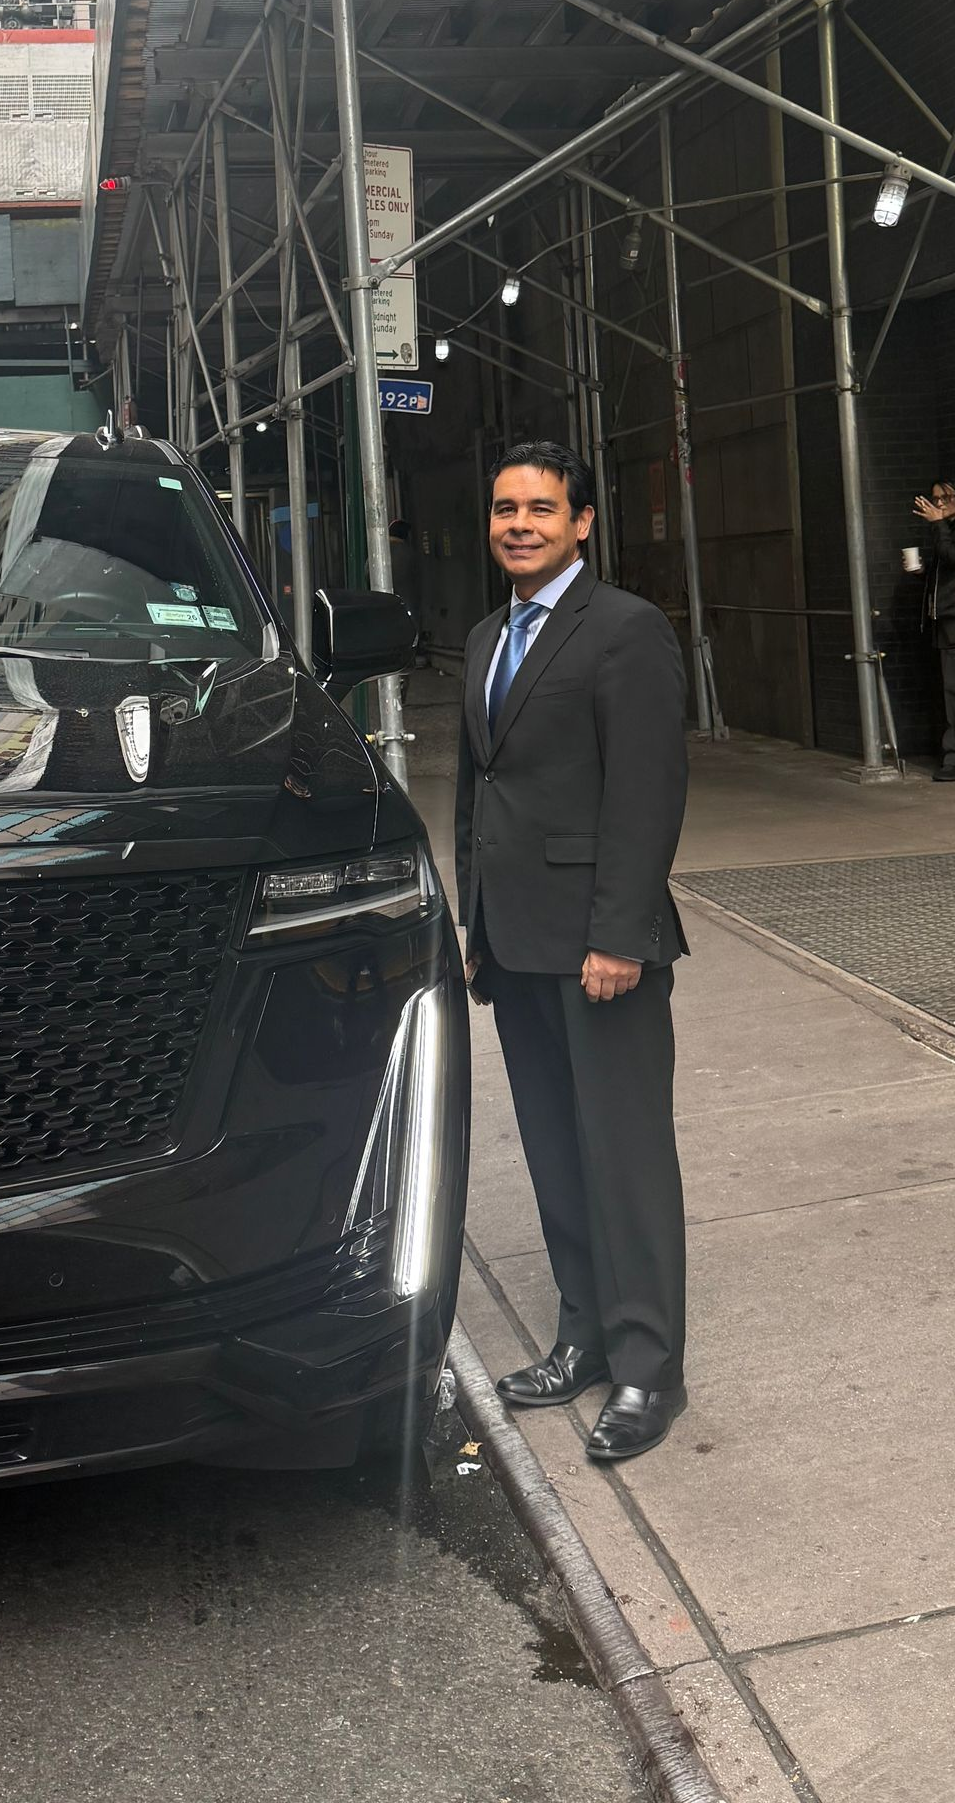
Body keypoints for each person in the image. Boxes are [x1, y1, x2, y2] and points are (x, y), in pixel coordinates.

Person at [454, 440, 690, 1464]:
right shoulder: (482, 637)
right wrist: (472, 924)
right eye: (504, 507)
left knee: (623, 1157)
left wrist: (616, 934)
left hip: (599, 947)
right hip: (512, 942)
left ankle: (647, 1368)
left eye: (540, 508)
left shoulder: (624, 631)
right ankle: (583, 1334)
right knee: (554, 1150)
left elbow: (646, 795)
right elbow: (476, 794)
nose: (518, 523)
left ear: (580, 522)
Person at [912, 480, 955, 782]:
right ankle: (952, 757)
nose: (939, 504)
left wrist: (939, 527)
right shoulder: (944, 531)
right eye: (936, 498)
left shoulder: (945, 530)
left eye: (946, 498)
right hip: (944, 621)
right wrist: (923, 572)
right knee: (950, 691)